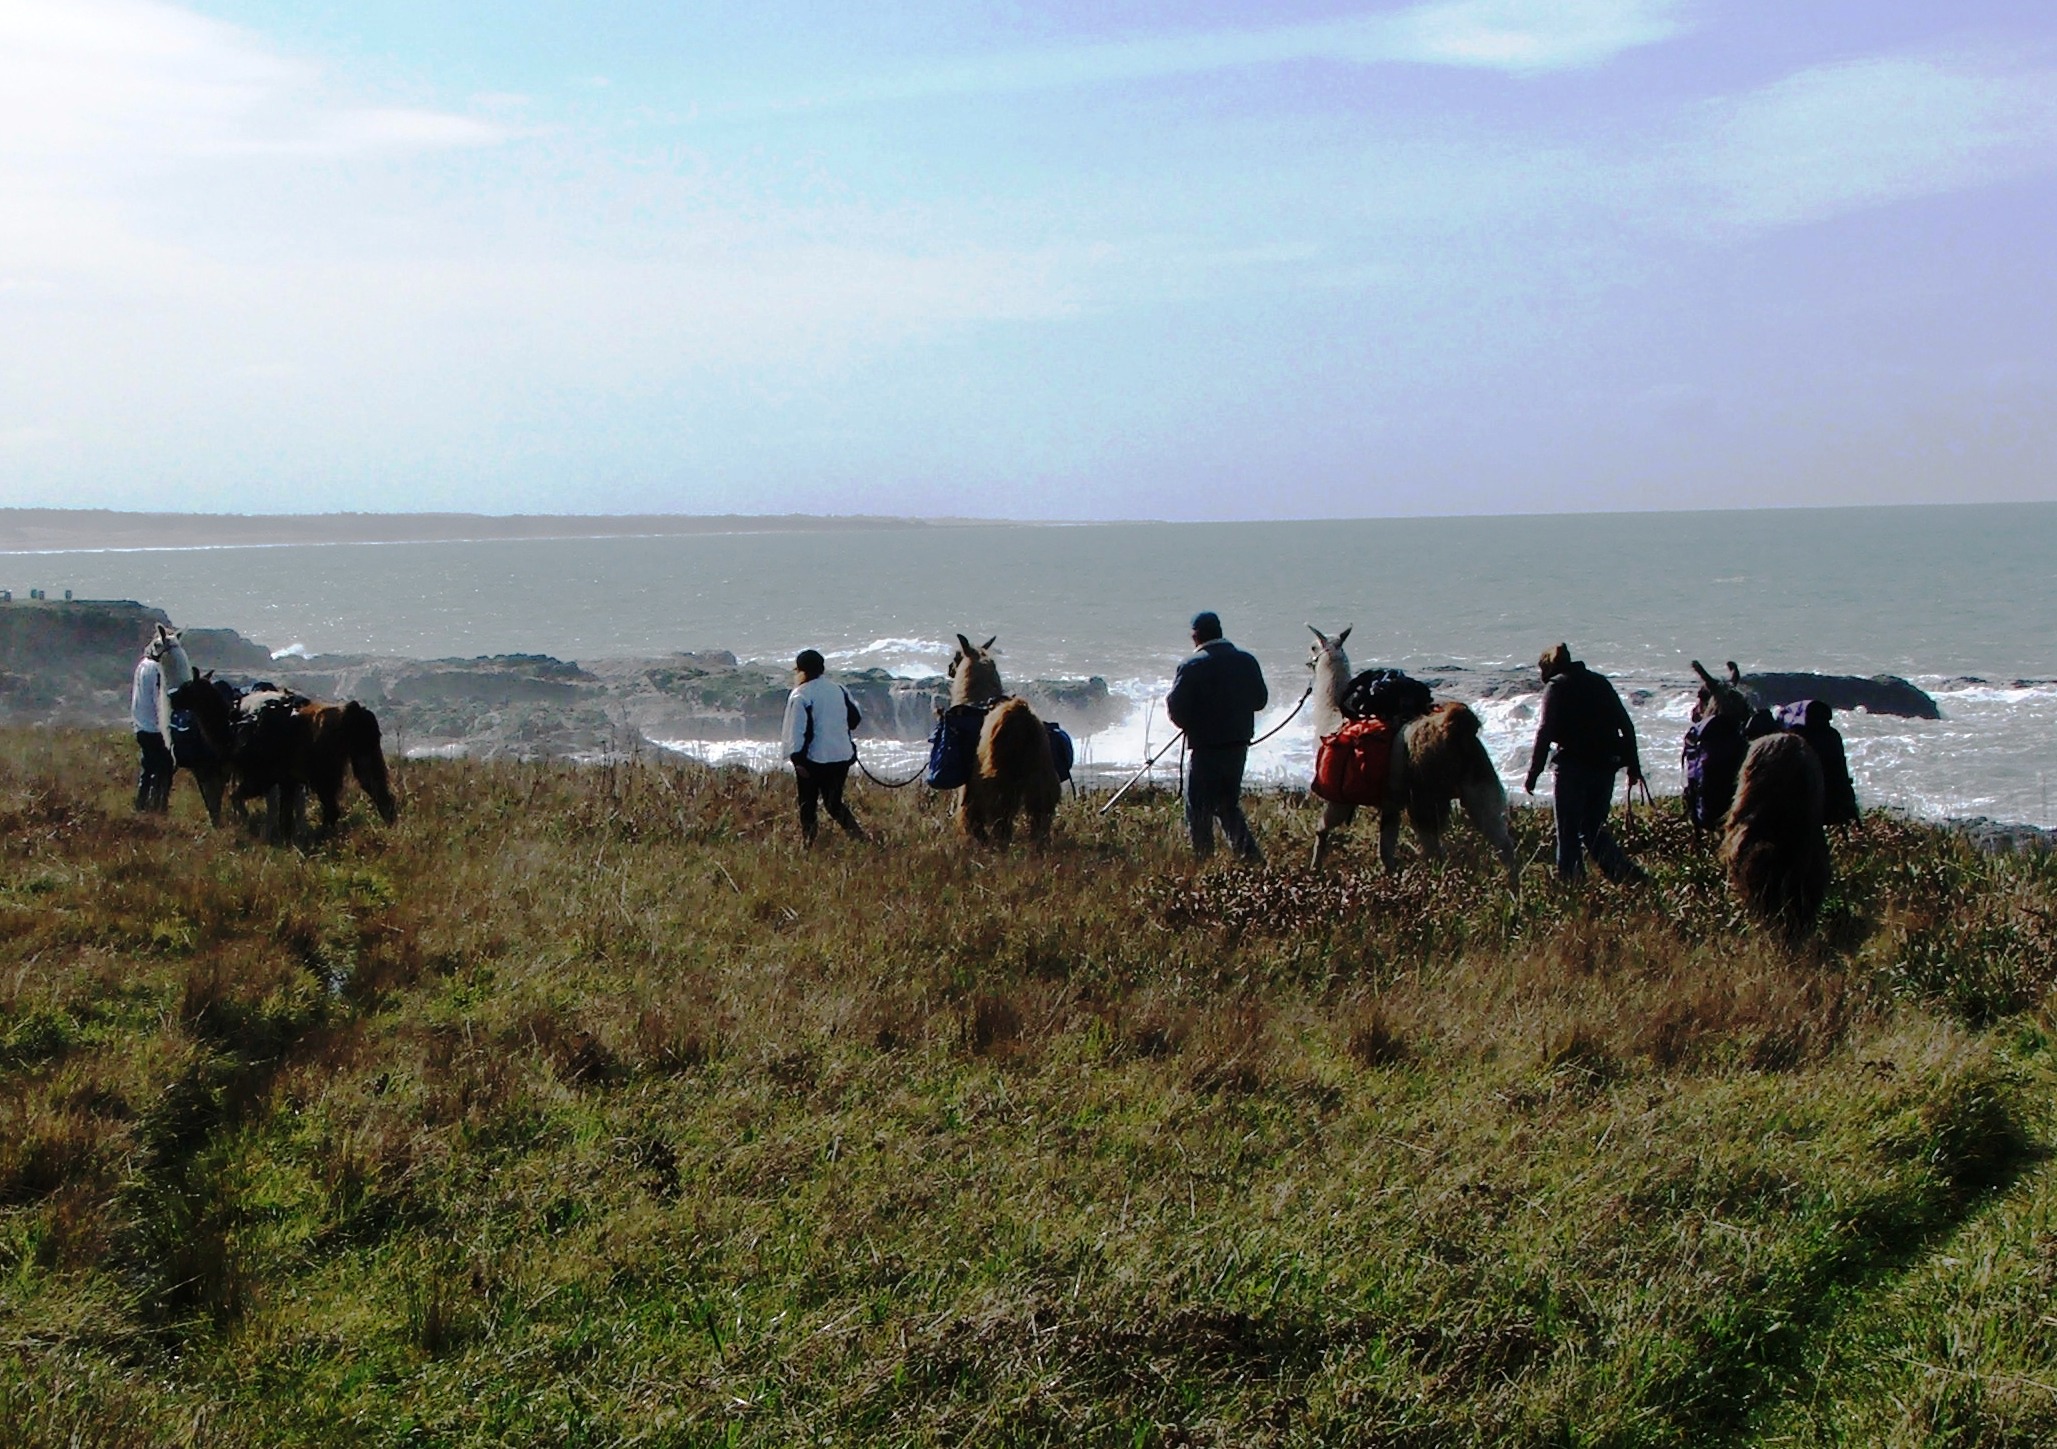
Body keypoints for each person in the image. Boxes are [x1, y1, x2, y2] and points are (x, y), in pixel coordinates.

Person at [1523, 642, 1648, 883]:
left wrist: (1534, 772)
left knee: (1568, 831)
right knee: (1593, 828)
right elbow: (1626, 725)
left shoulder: (1556, 686)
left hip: (1572, 767)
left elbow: (1545, 731)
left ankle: (1572, 884)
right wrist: (1633, 765)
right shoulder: (1599, 682)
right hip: (1604, 765)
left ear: (1547, 667)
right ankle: (1629, 877)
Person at [1166, 611, 1268, 862]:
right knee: (1226, 803)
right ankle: (1250, 857)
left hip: (1206, 747)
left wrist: (1190, 722)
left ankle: (1204, 861)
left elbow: (1177, 710)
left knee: (1198, 807)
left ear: (1196, 635)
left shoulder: (1191, 666)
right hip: (1238, 743)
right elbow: (1260, 701)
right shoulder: (1247, 661)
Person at [780, 649, 866, 845]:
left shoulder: (801, 694)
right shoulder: (839, 689)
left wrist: (797, 759)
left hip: (813, 759)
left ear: (800, 671)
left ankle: (809, 844)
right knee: (834, 804)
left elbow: (796, 730)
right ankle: (860, 838)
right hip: (841, 755)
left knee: (807, 804)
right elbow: (854, 719)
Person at [130, 634, 175, 813]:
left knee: (148, 767)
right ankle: (158, 805)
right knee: (164, 767)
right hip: (154, 728)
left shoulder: (142, 665)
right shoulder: (157, 669)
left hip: (141, 725)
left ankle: (142, 803)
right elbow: (159, 699)